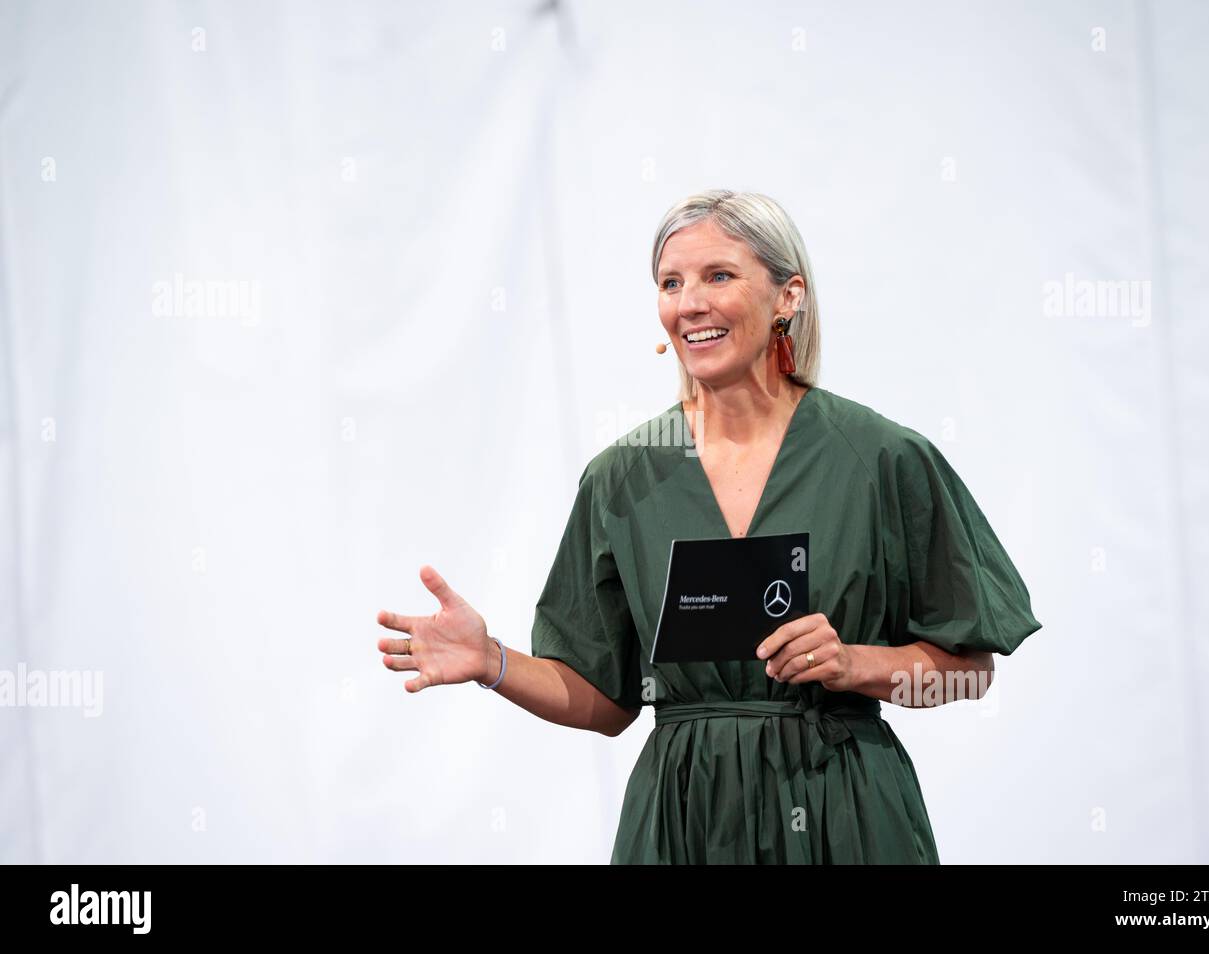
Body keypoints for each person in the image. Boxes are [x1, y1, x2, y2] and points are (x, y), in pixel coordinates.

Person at [376, 189, 1043, 863]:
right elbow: (606, 701)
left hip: (845, 814)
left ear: (789, 296)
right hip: (683, 820)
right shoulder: (623, 478)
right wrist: (492, 662)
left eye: (717, 276)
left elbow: (969, 672)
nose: (687, 303)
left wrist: (855, 664)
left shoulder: (881, 460)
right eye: (671, 283)